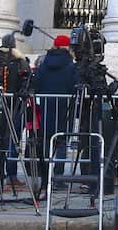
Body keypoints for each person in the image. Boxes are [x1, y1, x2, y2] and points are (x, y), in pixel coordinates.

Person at [31, 34, 77, 193]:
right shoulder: (71, 65)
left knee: (45, 141)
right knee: (62, 142)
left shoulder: (44, 64)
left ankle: (45, 176)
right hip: (64, 107)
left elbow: (36, 83)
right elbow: (74, 85)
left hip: (46, 105)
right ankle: (58, 177)